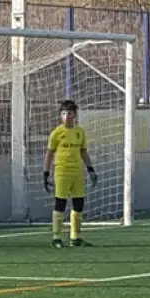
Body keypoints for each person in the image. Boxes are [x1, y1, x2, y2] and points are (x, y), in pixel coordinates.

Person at [44, 99, 97, 248]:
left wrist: (91, 169)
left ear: (75, 115)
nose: (66, 117)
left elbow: (83, 152)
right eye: (63, 114)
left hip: (77, 172)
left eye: (69, 114)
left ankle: (75, 237)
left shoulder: (80, 132)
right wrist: (46, 173)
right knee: (60, 203)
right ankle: (56, 237)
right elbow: (49, 154)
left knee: (79, 203)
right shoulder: (56, 133)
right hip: (61, 172)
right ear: (60, 115)